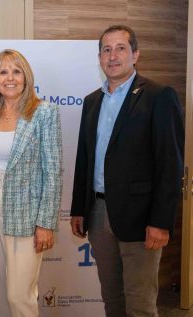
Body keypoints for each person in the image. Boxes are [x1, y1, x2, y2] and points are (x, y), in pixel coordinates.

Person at [70, 25, 184, 317]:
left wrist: (161, 221)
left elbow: (170, 165)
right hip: (97, 214)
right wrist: (79, 209)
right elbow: (85, 158)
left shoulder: (158, 96)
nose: (113, 56)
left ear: (135, 54)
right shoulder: (92, 101)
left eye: (120, 48)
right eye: (106, 50)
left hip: (141, 217)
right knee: (112, 299)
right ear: (99, 58)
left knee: (140, 304)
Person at [0, 49, 62, 317]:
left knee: (19, 295)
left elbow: (53, 170)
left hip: (27, 215)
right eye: (3, 72)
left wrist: (46, 223)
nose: (10, 78)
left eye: (16, 71)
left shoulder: (44, 112)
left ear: (26, 77)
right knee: (0, 289)